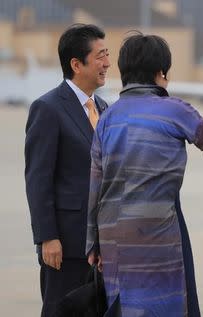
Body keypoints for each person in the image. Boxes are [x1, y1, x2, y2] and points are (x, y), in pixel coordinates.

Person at [86, 32, 203, 317]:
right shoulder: (171, 110)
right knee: (161, 304)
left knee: (123, 306)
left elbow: (95, 184)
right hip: (154, 230)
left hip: (112, 234)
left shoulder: (108, 116)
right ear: (160, 72)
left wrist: (93, 242)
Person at [24, 24, 110, 316]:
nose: (107, 63)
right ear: (76, 64)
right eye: (100, 56)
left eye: (107, 55)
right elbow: (38, 179)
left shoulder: (105, 108)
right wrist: (47, 237)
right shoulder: (48, 108)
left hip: (103, 246)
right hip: (66, 244)